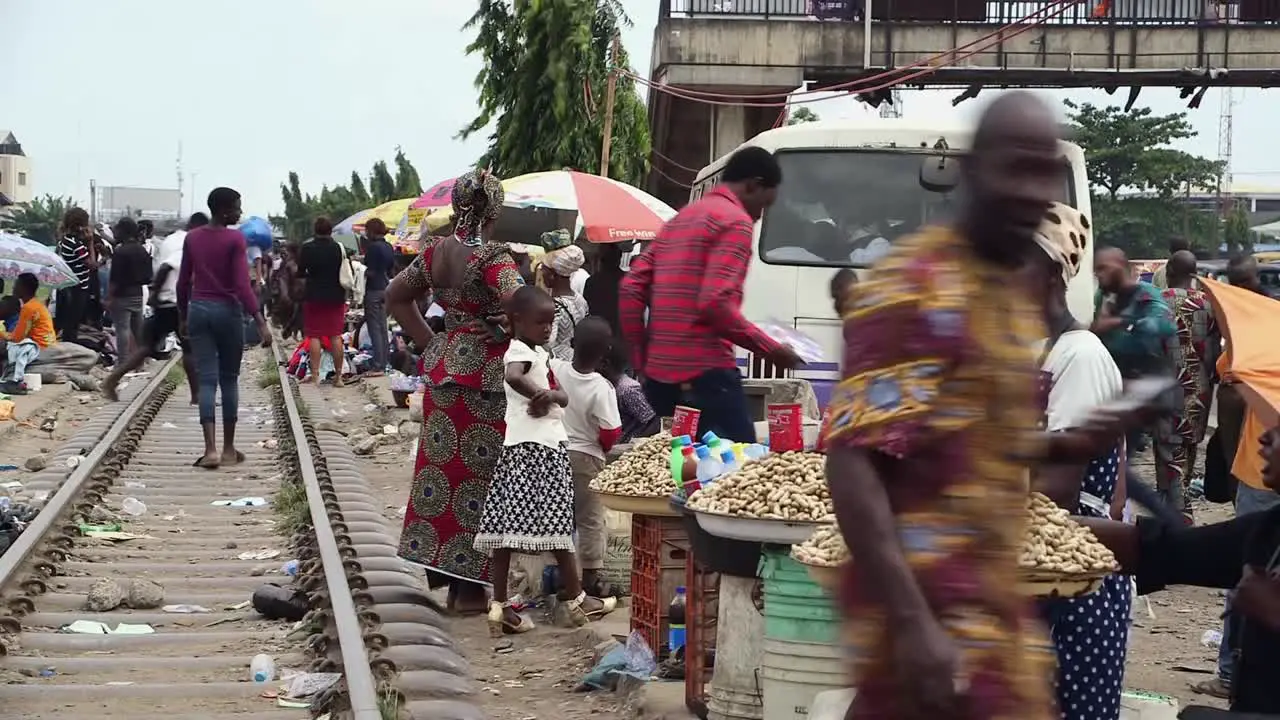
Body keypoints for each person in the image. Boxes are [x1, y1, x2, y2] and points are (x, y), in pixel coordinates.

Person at [821, 92, 1144, 720]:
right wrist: (913, 624)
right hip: (927, 626)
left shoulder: (1003, 298)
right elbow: (852, 461)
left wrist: (1072, 443)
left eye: (1044, 170)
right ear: (972, 173)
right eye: (1014, 167)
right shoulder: (908, 288)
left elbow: (967, 441)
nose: (1032, 190)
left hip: (993, 619)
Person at [386, 170, 523, 615]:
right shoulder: (494, 259)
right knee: (479, 483)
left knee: (443, 477)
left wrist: (432, 344)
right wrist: (506, 324)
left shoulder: (435, 252)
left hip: (445, 374)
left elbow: (396, 296)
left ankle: (451, 583)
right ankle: (470, 591)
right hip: (484, 379)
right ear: (494, 210)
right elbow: (523, 306)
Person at [1078, 423, 1280, 716]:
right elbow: (1168, 550)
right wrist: (1048, 527)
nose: (1265, 436)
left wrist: (1273, 613)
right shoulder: (1269, 530)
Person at [620, 147, 804, 442]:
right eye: (762, 206)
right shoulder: (735, 221)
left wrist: (643, 359)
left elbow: (631, 288)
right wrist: (770, 349)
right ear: (753, 185)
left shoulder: (680, 220)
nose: (758, 217)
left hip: (660, 380)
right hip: (706, 374)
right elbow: (714, 303)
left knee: (677, 466)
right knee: (736, 466)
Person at [1026, 203, 1132, 720]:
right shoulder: (1040, 352)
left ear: (1047, 272)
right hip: (1039, 571)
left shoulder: (1080, 355)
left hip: (1075, 578)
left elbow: (1057, 491)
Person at [474, 286, 614, 635]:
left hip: (520, 447)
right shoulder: (519, 351)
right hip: (540, 450)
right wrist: (540, 395)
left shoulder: (541, 353)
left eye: (551, 322)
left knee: (506, 530)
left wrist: (550, 394)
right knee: (558, 526)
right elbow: (513, 376)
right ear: (517, 321)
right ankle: (578, 600)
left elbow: (563, 397)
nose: (547, 328)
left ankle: (500, 605)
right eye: (540, 322)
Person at [177, 187, 271, 470]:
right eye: (237, 207)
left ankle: (210, 450)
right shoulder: (235, 239)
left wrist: (183, 314)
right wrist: (260, 320)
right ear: (224, 209)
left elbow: (183, 281)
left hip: (199, 310)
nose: (240, 213)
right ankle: (229, 449)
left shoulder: (192, 238)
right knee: (229, 380)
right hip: (227, 312)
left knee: (207, 380)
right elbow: (242, 285)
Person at [1093, 246, 1180, 513]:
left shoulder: (1145, 295)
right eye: (1096, 270)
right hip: (1120, 390)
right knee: (1114, 461)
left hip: (1148, 393)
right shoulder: (1104, 298)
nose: (1099, 275)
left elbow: (1165, 325)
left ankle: (1167, 519)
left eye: (1104, 268)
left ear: (1121, 265)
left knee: (1120, 462)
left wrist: (1120, 323)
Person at [549, 316, 624, 599]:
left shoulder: (556, 369)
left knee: (559, 515)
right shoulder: (601, 387)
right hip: (586, 457)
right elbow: (611, 430)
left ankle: (559, 573)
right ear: (606, 353)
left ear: (571, 343)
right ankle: (591, 576)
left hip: (555, 451)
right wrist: (602, 448)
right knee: (590, 518)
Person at [102, 214, 200, 403]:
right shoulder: (186, 246)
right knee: (186, 349)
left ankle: (114, 378)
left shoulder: (186, 244)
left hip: (168, 303)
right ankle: (196, 396)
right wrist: (155, 294)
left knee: (146, 345)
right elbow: (165, 268)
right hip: (172, 304)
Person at [1160, 249, 1219, 523]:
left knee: (1168, 459)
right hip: (1199, 390)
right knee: (1187, 455)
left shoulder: (1157, 303)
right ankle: (1177, 513)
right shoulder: (1208, 304)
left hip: (1166, 391)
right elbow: (1212, 356)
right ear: (1194, 275)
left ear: (1169, 271)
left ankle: (1178, 519)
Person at [0, 273, 97, 391]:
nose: (13, 288)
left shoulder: (28, 308)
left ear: (24, 288)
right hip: (47, 346)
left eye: (16, 285)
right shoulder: (37, 304)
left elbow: (17, 338)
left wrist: (1, 334)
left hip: (40, 348)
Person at [297, 217, 349, 386]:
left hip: (313, 296)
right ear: (330, 231)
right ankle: (339, 377)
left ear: (315, 231)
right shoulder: (338, 248)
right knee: (335, 335)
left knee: (314, 335)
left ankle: (315, 376)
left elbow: (300, 272)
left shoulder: (307, 248)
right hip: (336, 296)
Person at [106, 216, 153, 362]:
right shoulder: (142, 250)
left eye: (117, 229)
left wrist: (109, 298)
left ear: (123, 231)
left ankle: (123, 362)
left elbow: (114, 279)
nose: (115, 232)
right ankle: (140, 360)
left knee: (123, 330)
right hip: (138, 295)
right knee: (138, 330)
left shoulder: (120, 252)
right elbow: (149, 277)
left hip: (122, 297)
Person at [541, 231, 588, 362]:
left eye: (544, 268)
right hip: (574, 361)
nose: (541, 270)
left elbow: (548, 344)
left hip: (557, 364)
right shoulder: (580, 300)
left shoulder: (554, 306)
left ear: (553, 274)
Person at [600, 344, 659, 443]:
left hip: (626, 445)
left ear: (604, 364)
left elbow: (652, 421)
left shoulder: (628, 389)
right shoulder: (608, 385)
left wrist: (636, 444)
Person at [55, 207, 96, 343]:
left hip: (68, 286)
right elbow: (92, 265)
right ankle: (70, 351)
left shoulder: (63, 241)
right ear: (80, 226)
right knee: (72, 324)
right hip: (78, 288)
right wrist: (90, 242)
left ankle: (67, 347)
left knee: (68, 323)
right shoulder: (76, 245)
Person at [362, 217, 395, 376]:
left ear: (372, 231)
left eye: (367, 230)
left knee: (374, 328)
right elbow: (390, 270)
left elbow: (371, 271)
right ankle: (385, 361)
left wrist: (359, 269)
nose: (365, 233)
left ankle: (378, 366)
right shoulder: (389, 247)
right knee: (383, 327)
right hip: (386, 289)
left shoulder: (373, 248)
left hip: (373, 290)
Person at [583, 241, 628, 353]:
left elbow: (587, 310)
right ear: (620, 259)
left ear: (601, 260)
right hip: (622, 337)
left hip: (597, 335)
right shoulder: (629, 281)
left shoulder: (592, 281)